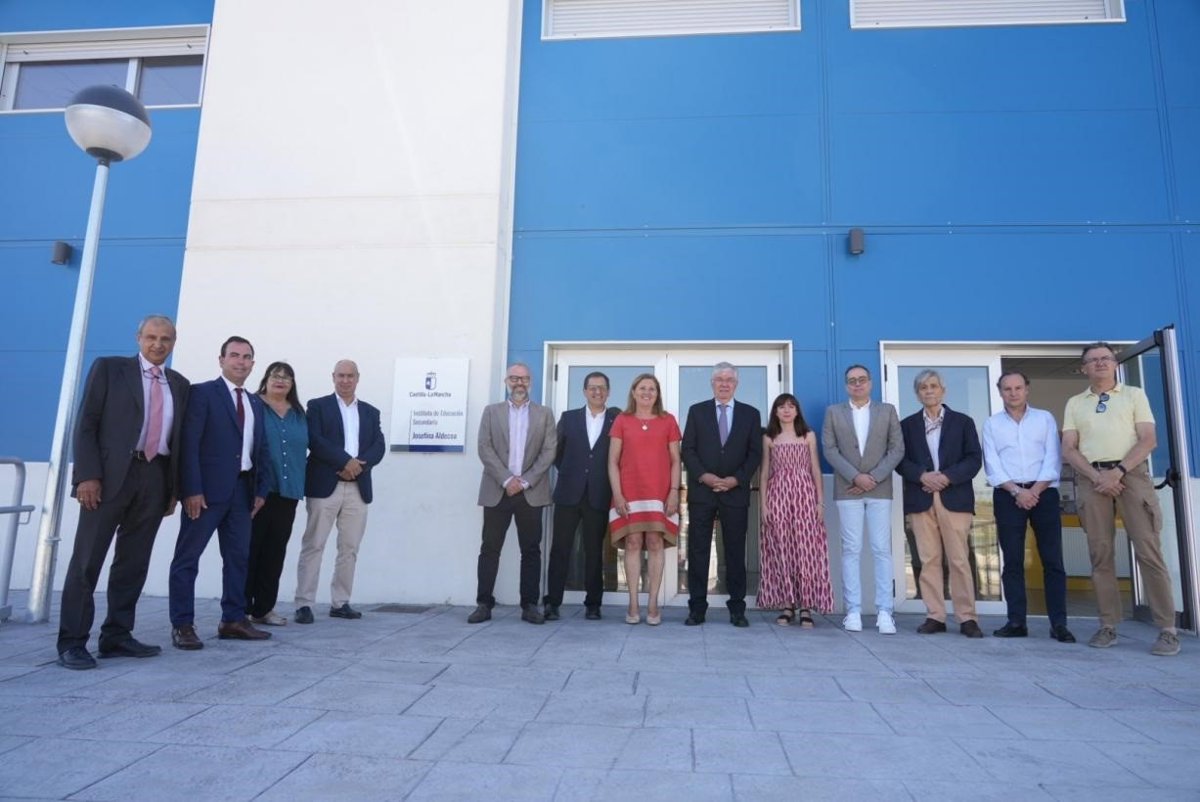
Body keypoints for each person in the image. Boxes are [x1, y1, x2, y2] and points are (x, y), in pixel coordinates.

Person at [55, 315, 190, 670]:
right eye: (151, 337)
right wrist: (87, 476)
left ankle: (117, 635)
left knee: (133, 562)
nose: (158, 344)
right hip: (109, 478)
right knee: (87, 561)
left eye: (165, 338)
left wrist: (173, 490)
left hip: (155, 477)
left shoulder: (179, 384)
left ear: (174, 342)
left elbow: (178, 441)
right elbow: (87, 424)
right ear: (138, 338)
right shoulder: (110, 369)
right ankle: (72, 642)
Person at [1061, 342, 1179, 656]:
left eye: (1105, 358)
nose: (1100, 363)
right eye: (1093, 360)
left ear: (1115, 364)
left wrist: (1118, 472)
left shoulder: (1134, 395)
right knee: (1100, 555)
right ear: (1084, 368)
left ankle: (1167, 629)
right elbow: (1069, 448)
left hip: (1132, 475)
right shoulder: (1075, 403)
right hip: (1093, 479)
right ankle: (1108, 625)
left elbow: (1148, 439)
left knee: (1149, 552)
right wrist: (1098, 476)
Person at [168, 336, 272, 649]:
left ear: (253, 364)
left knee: (238, 558)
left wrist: (261, 490)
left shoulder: (256, 402)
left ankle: (233, 620)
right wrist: (191, 489)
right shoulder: (202, 393)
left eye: (247, 357)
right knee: (188, 558)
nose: (241, 361)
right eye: (235, 355)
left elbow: (260, 449)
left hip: (242, 493)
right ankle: (182, 625)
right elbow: (189, 444)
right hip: (205, 494)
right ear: (221, 359)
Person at [982, 371, 1075, 643]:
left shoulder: (1044, 419)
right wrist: (1016, 491)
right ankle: (1016, 621)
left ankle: (1059, 624)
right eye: (1007, 389)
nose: (1013, 393)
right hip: (1008, 494)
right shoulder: (992, 424)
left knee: (1052, 560)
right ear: (1000, 392)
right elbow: (992, 464)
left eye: (1018, 388)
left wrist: (1034, 491)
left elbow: (1053, 458)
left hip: (1043, 493)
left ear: (1027, 389)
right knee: (1012, 561)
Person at [293, 360, 386, 624]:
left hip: (358, 487)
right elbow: (315, 440)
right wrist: (345, 462)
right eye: (341, 375)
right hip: (325, 485)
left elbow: (378, 445)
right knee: (314, 545)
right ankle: (304, 603)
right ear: (333, 377)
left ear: (358, 378)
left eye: (350, 376)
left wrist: (357, 467)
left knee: (349, 547)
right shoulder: (317, 406)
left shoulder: (370, 412)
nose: (345, 380)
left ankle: (341, 602)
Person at [897, 370, 984, 638]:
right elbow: (900, 460)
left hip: (954, 497)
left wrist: (946, 477)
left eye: (933, 386)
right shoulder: (907, 425)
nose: (929, 391)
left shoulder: (963, 422)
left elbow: (973, 459)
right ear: (917, 393)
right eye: (923, 387)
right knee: (928, 560)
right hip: (921, 497)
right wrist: (922, 476)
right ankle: (935, 615)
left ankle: (967, 617)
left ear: (943, 390)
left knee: (959, 560)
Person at [468, 362, 557, 625]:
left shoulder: (544, 414)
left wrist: (525, 481)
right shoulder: (491, 411)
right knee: (489, 548)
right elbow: (484, 448)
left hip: (531, 492)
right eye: (514, 378)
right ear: (506, 381)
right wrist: (507, 479)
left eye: (524, 378)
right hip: (498, 490)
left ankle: (529, 605)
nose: (519, 383)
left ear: (530, 382)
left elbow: (549, 451)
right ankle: (484, 604)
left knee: (531, 550)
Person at [821, 364, 904, 635]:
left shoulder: (887, 411)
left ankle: (885, 612)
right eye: (852, 380)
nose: (857, 384)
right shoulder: (834, 412)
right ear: (846, 385)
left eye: (862, 379)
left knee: (881, 549)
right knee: (851, 549)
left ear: (871, 383)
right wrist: (856, 477)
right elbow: (830, 449)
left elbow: (897, 449)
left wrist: (873, 477)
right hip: (848, 489)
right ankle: (853, 611)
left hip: (879, 489)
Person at [681, 362, 763, 627]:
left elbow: (755, 453)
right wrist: (704, 476)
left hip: (735, 493)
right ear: (712, 383)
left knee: (735, 552)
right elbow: (688, 449)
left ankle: (737, 609)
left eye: (729, 380)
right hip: (702, 492)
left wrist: (736, 479)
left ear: (736, 384)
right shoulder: (697, 411)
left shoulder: (751, 414)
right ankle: (697, 608)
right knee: (698, 551)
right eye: (719, 379)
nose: (724, 384)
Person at [545, 371, 620, 621]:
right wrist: (572, 473)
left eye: (602, 388)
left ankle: (593, 604)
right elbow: (556, 453)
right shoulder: (569, 418)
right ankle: (552, 603)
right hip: (568, 493)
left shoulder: (616, 419)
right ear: (585, 391)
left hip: (599, 494)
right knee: (560, 549)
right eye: (592, 388)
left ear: (608, 392)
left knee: (594, 551)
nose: (597, 392)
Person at [608, 374, 682, 625]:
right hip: (628, 492)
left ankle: (652, 603)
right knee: (632, 542)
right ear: (633, 391)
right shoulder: (622, 420)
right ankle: (632, 603)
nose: (647, 392)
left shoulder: (668, 421)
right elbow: (612, 461)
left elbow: (676, 460)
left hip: (660, 492)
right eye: (642, 388)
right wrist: (618, 494)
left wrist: (674, 491)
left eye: (652, 389)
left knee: (654, 542)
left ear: (657, 394)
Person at [759, 393, 833, 628]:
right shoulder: (769, 438)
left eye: (791, 406)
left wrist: (820, 502)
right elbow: (765, 473)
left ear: (797, 410)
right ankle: (787, 604)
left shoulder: (808, 435)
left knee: (805, 549)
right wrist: (764, 505)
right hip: (778, 495)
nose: (786, 410)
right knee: (782, 548)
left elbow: (815, 469)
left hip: (804, 495)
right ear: (775, 411)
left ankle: (806, 606)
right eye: (781, 407)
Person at [245, 362, 308, 627]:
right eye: (275, 376)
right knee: (250, 550)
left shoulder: (299, 414)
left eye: (286, 377)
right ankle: (240, 609)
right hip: (258, 491)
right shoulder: (253, 405)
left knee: (274, 552)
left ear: (292, 383)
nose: (280, 381)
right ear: (266, 379)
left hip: (288, 492)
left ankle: (264, 609)